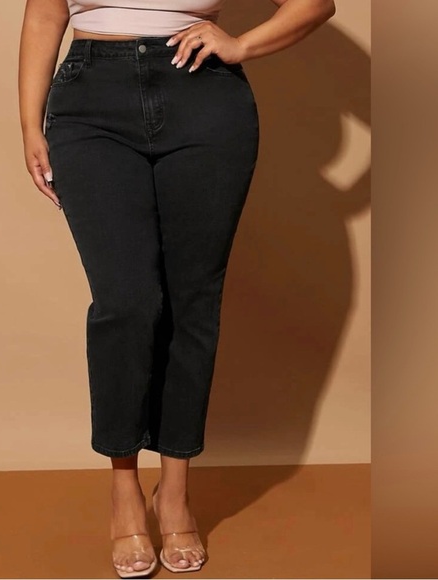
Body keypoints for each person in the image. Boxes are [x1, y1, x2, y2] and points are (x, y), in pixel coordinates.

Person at [19, 0, 336, 576]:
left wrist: (241, 45)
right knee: (126, 302)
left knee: (192, 302)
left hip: (203, 97)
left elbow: (316, 4)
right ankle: (124, 491)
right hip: (90, 100)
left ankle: (174, 491)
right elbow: (44, 15)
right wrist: (27, 123)